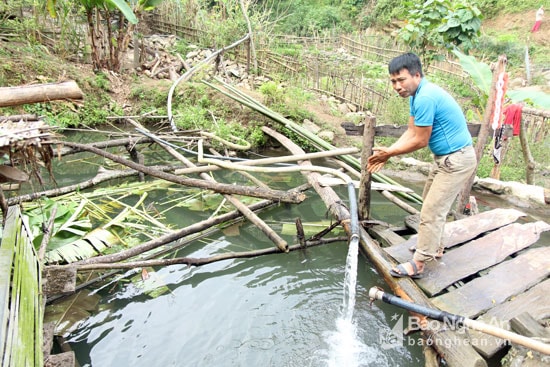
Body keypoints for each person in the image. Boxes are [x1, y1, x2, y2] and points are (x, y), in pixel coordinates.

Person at [367, 53, 477, 278]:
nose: (397, 86)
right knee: (430, 202)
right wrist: (389, 152)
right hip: (445, 158)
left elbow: (420, 140)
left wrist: (390, 152)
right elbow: (411, 131)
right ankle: (434, 247)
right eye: (393, 81)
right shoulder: (415, 96)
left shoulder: (426, 97)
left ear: (417, 75)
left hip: (457, 159)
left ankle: (418, 264)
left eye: (401, 80)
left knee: (431, 210)